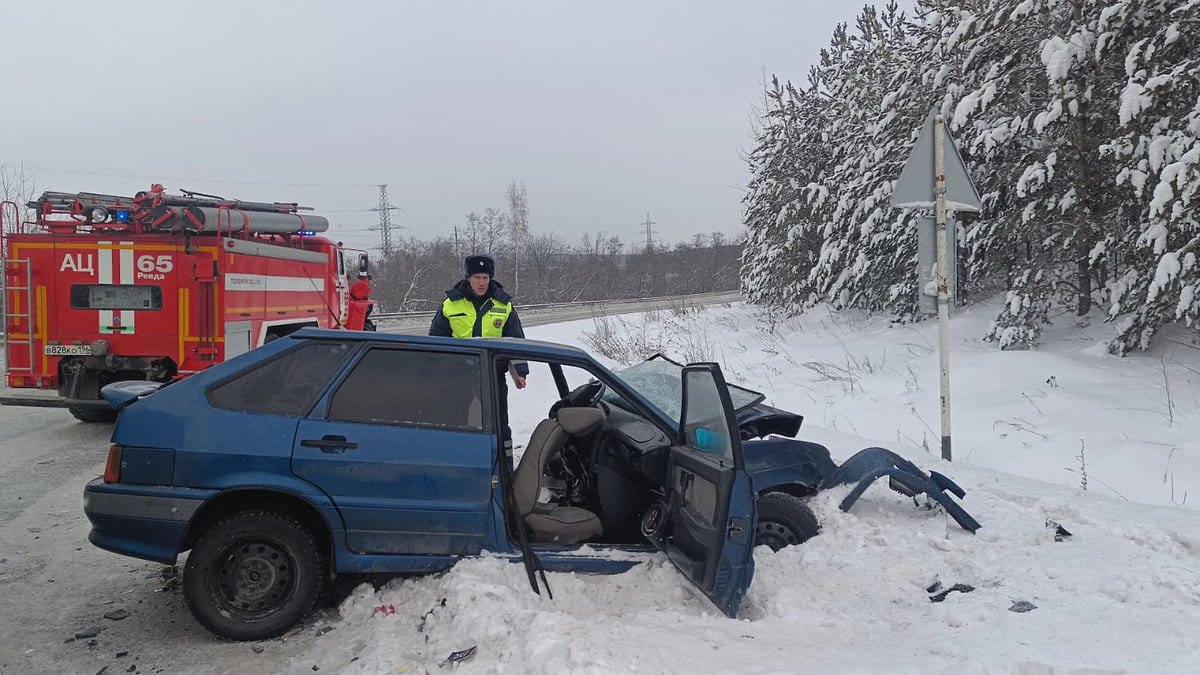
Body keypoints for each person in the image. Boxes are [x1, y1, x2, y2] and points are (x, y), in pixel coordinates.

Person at [429, 255, 529, 443]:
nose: (481, 283)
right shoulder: (451, 304)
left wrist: (521, 372)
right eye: (477, 278)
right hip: (458, 375)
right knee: (455, 424)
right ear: (468, 278)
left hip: (492, 374)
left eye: (485, 278)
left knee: (499, 425)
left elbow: (516, 340)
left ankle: (504, 466)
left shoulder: (503, 304)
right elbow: (436, 340)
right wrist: (434, 371)